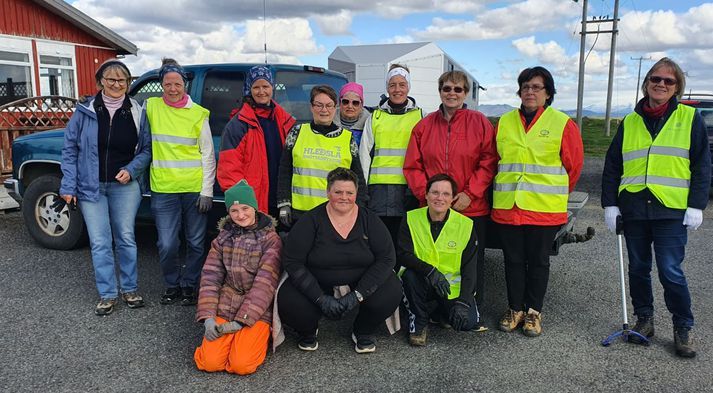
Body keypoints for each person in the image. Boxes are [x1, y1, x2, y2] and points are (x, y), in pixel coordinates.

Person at [601, 57, 710, 358]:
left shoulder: (689, 118)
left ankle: (682, 326)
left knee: (670, 271)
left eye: (668, 81)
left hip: (671, 211)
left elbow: (702, 165)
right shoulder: (630, 121)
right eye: (655, 79)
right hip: (634, 207)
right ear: (646, 82)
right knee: (637, 268)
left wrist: (696, 205)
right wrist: (610, 204)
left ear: (676, 87)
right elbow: (612, 166)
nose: (661, 84)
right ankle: (644, 320)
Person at [492, 66, 583, 337]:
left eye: (536, 87)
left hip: (544, 208)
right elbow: (494, 158)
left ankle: (533, 312)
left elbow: (573, 166)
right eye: (525, 87)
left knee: (539, 261)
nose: (530, 92)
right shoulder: (505, 122)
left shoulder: (562, 123)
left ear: (548, 93)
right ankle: (514, 308)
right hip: (509, 206)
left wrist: (555, 194)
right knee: (513, 260)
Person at [59, 59, 151, 316]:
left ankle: (130, 288)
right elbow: (69, 150)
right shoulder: (84, 111)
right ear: (100, 82)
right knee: (100, 241)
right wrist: (68, 185)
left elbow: (146, 150)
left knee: (126, 238)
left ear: (128, 84)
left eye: (122, 80)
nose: (116, 84)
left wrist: (131, 170)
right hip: (91, 187)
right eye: (111, 79)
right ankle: (108, 294)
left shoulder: (137, 111)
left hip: (125, 187)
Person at [277, 167, 401, 353]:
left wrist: (356, 296)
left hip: (361, 280)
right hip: (318, 280)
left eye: (349, 192)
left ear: (356, 193)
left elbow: (387, 258)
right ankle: (308, 331)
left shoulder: (370, 220)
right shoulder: (311, 220)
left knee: (391, 292)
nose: (344, 197)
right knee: (289, 300)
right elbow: (293, 261)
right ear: (328, 192)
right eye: (338, 192)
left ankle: (362, 331)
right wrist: (320, 299)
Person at [404, 70, 497, 305]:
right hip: (433, 208)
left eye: (458, 89)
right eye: (447, 88)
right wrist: (427, 197)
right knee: (432, 259)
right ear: (440, 91)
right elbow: (413, 167)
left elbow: (489, 161)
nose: (452, 93)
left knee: (470, 262)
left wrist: (470, 193)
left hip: (470, 207)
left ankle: (469, 308)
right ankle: (434, 310)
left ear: (465, 93)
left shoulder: (480, 123)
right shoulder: (423, 126)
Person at [146, 58, 216, 306]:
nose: (173, 89)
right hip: (163, 189)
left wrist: (206, 191)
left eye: (177, 84)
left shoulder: (198, 114)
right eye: (168, 84)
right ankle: (172, 283)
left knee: (196, 242)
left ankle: (189, 284)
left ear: (184, 84)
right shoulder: (150, 107)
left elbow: (208, 154)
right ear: (161, 85)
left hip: (194, 189)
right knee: (167, 244)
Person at [194, 180, 282, 375]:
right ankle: (230, 342)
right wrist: (208, 317)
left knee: (241, 365)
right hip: (226, 303)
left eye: (245, 208)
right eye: (234, 211)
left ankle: (255, 337)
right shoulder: (222, 239)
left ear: (254, 207)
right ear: (228, 213)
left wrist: (242, 321)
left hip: (257, 310)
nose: (240, 215)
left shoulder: (271, 240)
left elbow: (265, 284)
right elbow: (210, 277)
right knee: (209, 363)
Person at [399, 174, 480, 346]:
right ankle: (419, 321)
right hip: (422, 280)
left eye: (445, 194)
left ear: (452, 199)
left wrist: (463, 302)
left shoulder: (466, 225)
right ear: (426, 195)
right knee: (409, 276)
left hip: (449, 286)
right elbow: (403, 255)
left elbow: (470, 268)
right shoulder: (411, 218)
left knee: (468, 322)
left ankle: (440, 312)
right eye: (435, 192)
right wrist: (430, 271)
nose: (439, 198)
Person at [276, 85, 367, 227]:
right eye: (319, 105)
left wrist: (358, 209)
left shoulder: (347, 138)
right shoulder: (297, 133)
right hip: (300, 214)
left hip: (335, 215)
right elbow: (284, 171)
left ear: (335, 108)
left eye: (329, 105)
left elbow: (358, 179)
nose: (324, 110)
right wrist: (283, 204)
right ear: (311, 107)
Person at [359, 64, 423, 258]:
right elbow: (364, 154)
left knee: (404, 242)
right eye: (392, 84)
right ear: (387, 88)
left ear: (408, 87)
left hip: (407, 190)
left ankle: (401, 285)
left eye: (402, 84)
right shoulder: (375, 116)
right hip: (378, 191)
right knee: (379, 242)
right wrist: (363, 189)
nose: (397, 89)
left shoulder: (420, 116)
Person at [217, 65, 295, 218]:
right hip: (254, 202)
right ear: (249, 89)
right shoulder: (238, 125)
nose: (261, 91)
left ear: (272, 88)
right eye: (256, 87)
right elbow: (229, 170)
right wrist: (244, 205)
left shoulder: (285, 120)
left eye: (265, 86)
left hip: (281, 200)